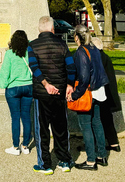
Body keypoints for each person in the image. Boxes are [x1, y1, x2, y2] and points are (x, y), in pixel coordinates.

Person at [27, 16, 76, 175]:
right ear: (53, 29)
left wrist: (46, 84)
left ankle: (45, 164)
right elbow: (71, 66)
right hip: (60, 92)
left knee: (42, 130)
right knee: (61, 128)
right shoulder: (62, 44)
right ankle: (65, 160)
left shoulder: (32, 45)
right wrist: (69, 84)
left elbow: (34, 67)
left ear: (39, 29)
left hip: (42, 94)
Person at [67, 25, 108, 170]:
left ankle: (91, 161)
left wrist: (75, 94)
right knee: (97, 123)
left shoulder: (81, 52)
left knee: (85, 126)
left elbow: (84, 77)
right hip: (98, 89)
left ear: (76, 37)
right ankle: (101, 155)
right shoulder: (94, 49)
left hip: (87, 92)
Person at [0, 30, 33, 156]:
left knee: (15, 117)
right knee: (26, 116)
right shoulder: (29, 52)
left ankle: (15, 146)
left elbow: (4, 72)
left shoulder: (9, 54)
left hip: (13, 88)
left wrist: (3, 84)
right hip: (28, 86)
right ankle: (25, 145)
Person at [91, 37, 121, 153]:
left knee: (96, 120)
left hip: (101, 92)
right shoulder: (105, 57)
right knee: (107, 119)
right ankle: (114, 143)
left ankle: (96, 145)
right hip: (109, 91)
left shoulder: (97, 57)